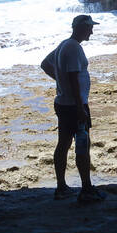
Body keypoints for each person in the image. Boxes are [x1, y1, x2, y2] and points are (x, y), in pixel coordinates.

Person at [48, 14, 105, 202]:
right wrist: (80, 107)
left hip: (63, 103)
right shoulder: (74, 48)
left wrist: (60, 82)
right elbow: (73, 77)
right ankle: (86, 188)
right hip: (75, 106)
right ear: (81, 28)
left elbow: (45, 64)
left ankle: (61, 187)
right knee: (83, 145)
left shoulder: (64, 44)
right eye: (90, 27)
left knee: (63, 144)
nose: (92, 31)